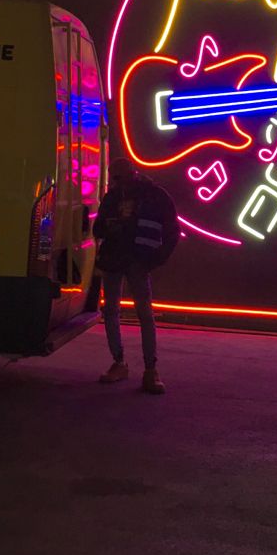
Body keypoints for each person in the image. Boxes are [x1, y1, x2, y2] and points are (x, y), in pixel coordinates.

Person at [93, 156, 179, 393]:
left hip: (133, 260)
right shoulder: (125, 197)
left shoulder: (153, 196)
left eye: (118, 177)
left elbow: (171, 229)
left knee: (138, 313)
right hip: (120, 260)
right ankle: (131, 366)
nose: (116, 182)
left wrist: (158, 257)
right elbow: (98, 228)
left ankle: (146, 368)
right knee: (119, 311)